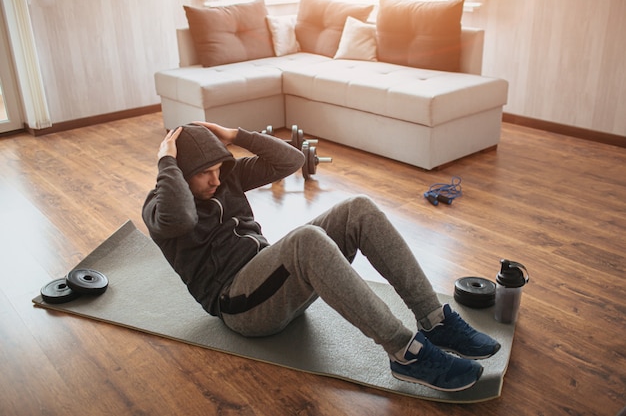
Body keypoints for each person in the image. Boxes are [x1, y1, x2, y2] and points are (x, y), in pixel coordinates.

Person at [142, 122, 501, 392]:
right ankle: (406, 354)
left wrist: (236, 135)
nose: (216, 180)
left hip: (273, 285)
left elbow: (291, 159)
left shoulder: (227, 178)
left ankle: (434, 319)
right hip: (239, 306)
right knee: (306, 240)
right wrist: (166, 162)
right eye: (204, 173)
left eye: (218, 169)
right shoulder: (161, 208)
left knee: (357, 209)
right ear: (177, 173)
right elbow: (183, 218)